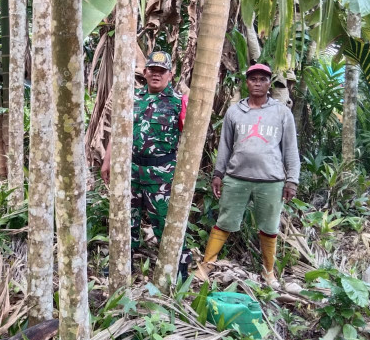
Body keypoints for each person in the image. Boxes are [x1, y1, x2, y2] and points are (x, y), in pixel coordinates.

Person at [195, 63, 300, 288]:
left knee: (269, 228)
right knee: (224, 222)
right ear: (247, 82)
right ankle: (207, 265)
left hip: (271, 181)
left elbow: (290, 148)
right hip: (236, 178)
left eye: (263, 79)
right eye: (254, 79)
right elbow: (225, 145)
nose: (258, 83)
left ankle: (268, 273)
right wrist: (218, 173)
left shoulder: (281, 112)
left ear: (269, 83)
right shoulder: (235, 111)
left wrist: (292, 180)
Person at [101, 50, 190, 278]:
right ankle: (121, 265)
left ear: (170, 74)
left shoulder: (178, 103)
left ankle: (178, 269)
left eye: (161, 71)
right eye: (152, 70)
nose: (156, 75)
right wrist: (108, 160)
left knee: (165, 222)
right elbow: (119, 132)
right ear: (145, 72)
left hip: (162, 174)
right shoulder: (134, 100)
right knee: (125, 220)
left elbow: (191, 141)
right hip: (131, 171)